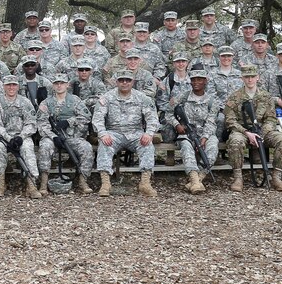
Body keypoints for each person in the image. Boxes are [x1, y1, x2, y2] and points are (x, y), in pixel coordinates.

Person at [92, 70, 159, 198]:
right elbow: (98, 118)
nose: (124, 83)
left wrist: (149, 133)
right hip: (114, 132)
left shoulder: (142, 98)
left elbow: (152, 118)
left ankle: (145, 183)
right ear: (116, 82)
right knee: (104, 144)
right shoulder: (107, 97)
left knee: (147, 145)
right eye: (121, 80)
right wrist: (102, 133)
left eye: (128, 80)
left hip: (135, 132)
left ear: (132, 82)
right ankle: (105, 183)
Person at [224, 66, 282, 192]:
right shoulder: (234, 97)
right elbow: (230, 120)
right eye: (247, 77)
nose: (250, 80)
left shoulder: (266, 96)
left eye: (252, 77)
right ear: (242, 78)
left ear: (257, 77)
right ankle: (238, 178)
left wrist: (261, 134)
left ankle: (276, 177)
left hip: (262, 131)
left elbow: (271, 119)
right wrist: (247, 133)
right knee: (235, 141)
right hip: (242, 131)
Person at [36, 73, 94, 194]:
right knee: (45, 147)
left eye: (62, 83)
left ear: (67, 85)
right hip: (52, 138)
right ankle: (43, 183)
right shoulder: (46, 103)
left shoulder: (75, 100)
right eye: (56, 83)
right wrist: (54, 136)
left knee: (87, 148)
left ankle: (83, 181)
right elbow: (42, 123)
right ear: (53, 86)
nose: (59, 85)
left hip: (72, 137)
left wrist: (69, 121)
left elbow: (86, 117)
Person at [0, 77, 43, 198]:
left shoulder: (25, 102)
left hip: (22, 136)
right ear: (4, 87)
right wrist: (8, 138)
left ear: (18, 87)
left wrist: (21, 137)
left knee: (28, 148)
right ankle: (1, 184)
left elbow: (31, 123)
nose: (11, 88)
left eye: (14, 85)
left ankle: (32, 185)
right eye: (8, 85)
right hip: (3, 138)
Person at [168, 69, 218, 195]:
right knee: (186, 147)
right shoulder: (182, 97)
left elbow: (211, 122)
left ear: (205, 81)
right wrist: (177, 125)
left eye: (199, 79)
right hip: (185, 133)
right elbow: (168, 113)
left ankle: (198, 179)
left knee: (212, 147)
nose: (196, 82)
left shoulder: (212, 101)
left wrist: (205, 137)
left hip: (204, 133)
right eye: (193, 80)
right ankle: (193, 178)